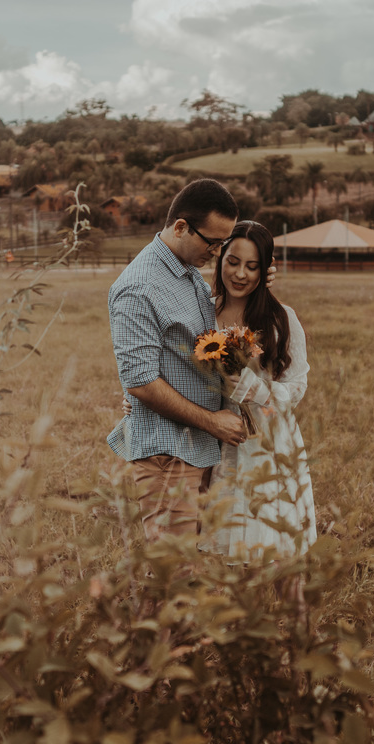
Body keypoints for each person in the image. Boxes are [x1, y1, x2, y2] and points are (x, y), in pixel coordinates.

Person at [107, 179, 248, 543]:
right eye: (212, 242)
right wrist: (213, 422)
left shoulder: (187, 271)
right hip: (168, 454)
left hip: (197, 449)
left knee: (193, 565)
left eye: (222, 244)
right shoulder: (139, 287)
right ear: (182, 227)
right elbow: (141, 383)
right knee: (175, 569)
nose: (217, 252)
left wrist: (259, 279)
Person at [204, 220, 316, 559]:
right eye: (233, 262)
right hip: (215, 434)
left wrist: (258, 390)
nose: (240, 274)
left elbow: (297, 385)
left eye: (252, 266)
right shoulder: (204, 311)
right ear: (220, 258)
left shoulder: (281, 318)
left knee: (269, 539)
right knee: (219, 537)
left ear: (266, 270)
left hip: (267, 439)